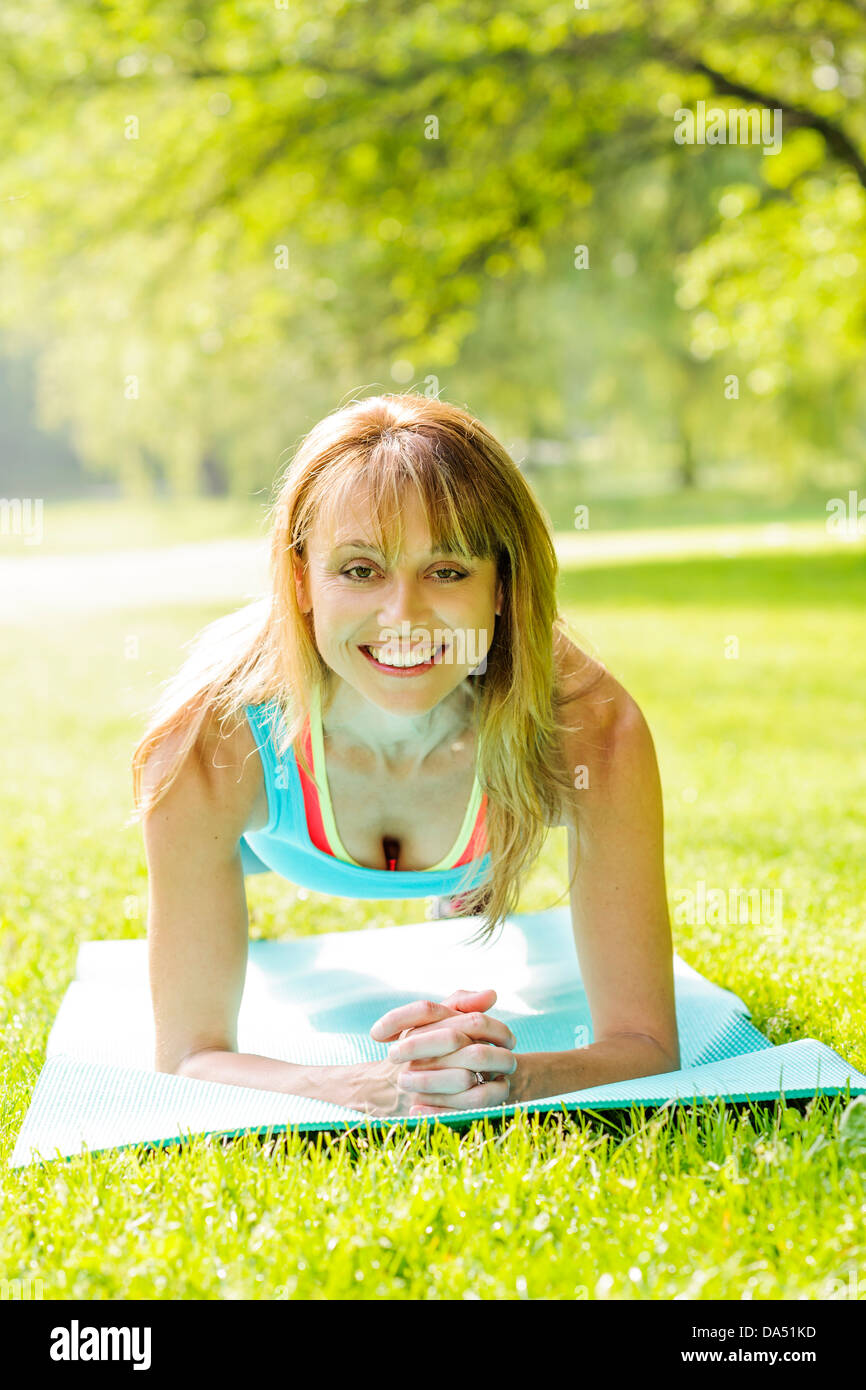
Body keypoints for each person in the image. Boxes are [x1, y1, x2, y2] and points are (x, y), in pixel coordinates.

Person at [131, 393, 679, 1119]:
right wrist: (363, 1085)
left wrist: (501, 1074)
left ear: (503, 588)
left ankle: (465, 887)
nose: (403, 619)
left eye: (447, 571)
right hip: (274, 830)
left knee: (488, 834)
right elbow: (189, 1056)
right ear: (300, 580)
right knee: (230, 859)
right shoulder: (208, 741)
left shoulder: (590, 733)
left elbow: (644, 1042)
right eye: (360, 571)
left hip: (484, 794)